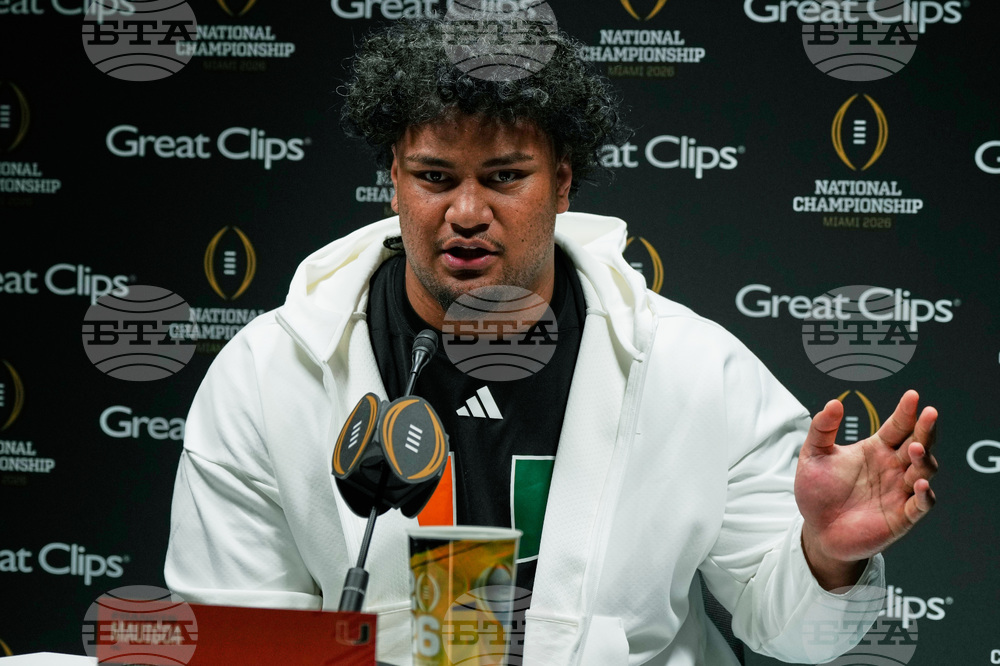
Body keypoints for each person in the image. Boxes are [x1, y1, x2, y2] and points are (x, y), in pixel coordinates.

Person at [164, 15, 939, 666]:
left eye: (505, 177)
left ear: (563, 182)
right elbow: (238, 641)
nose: (467, 212)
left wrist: (827, 556)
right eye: (435, 177)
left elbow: (796, 633)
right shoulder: (268, 375)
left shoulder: (693, 368)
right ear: (393, 178)